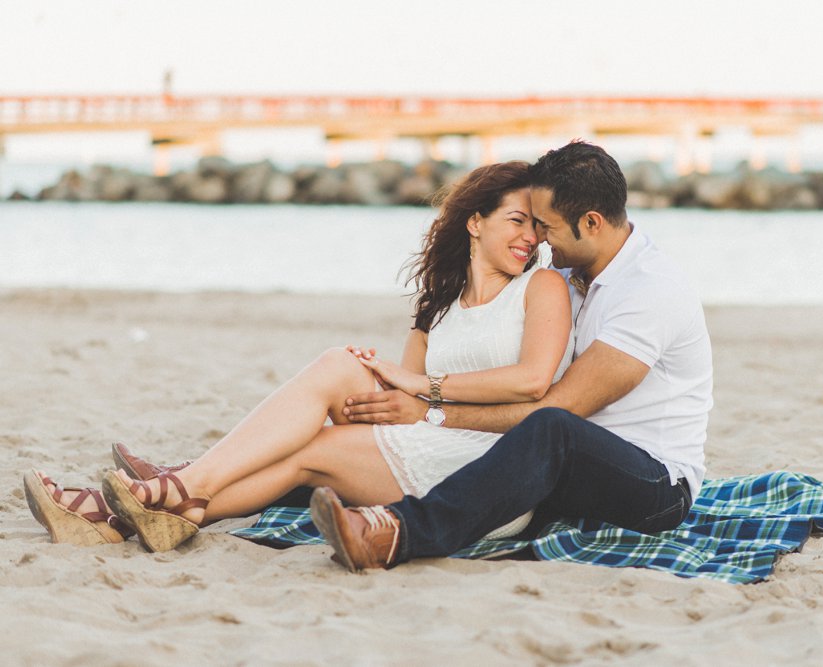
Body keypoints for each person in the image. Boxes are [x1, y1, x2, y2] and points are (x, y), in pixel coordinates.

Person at [24, 160, 574, 552]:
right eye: (516, 219)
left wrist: (418, 386)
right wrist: (383, 382)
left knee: (313, 443)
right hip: (432, 441)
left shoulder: (541, 287)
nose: (530, 237)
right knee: (339, 371)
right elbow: (405, 408)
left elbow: (531, 382)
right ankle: (168, 504)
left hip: (494, 471)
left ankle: (172, 490)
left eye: (536, 225)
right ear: (476, 221)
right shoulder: (438, 308)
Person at [310, 140, 713, 573]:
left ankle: (397, 535)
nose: (537, 239)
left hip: (652, 483)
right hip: (559, 468)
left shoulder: (651, 292)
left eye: (546, 226)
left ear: (591, 222)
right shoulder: (565, 272)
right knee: (336, 452)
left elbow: (559, 407)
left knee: (554, 428)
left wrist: (432, 411)